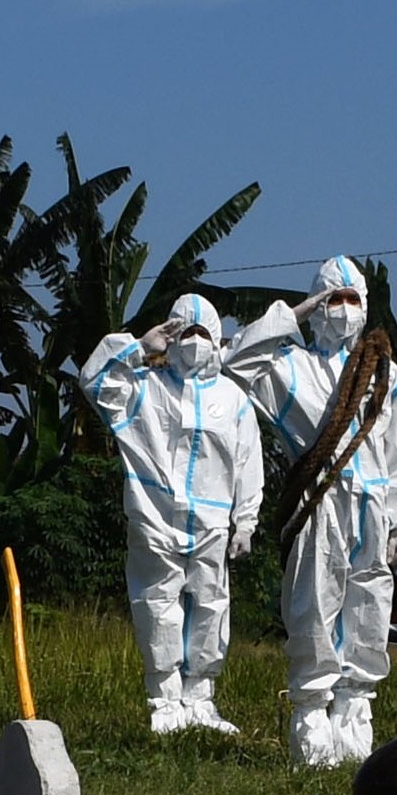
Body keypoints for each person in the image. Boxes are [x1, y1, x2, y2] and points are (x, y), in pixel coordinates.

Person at [226, 258, 397, 767]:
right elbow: (236, 362)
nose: (342, 310)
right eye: (331, 299)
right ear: (318, 305)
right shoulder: (289, 366)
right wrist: (291, 315)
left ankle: (356, 721)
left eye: (351, 299)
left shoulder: (385, 373)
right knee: (314, 607)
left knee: (368, 611)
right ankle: (313, 728)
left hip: (374, 507)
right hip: (319, 502)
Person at [82, 294, 267, 734]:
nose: (195, 342)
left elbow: (248, 463)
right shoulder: (143, 388)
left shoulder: (232, 399)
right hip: (155, 518)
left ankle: (200, 700)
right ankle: (165, 703)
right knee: (157, 606)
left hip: (212, 524)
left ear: (217, 337)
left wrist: (247, 520)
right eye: (185, 332)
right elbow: (94, 381)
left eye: (204, 333)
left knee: (210, 607)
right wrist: (139, 348)